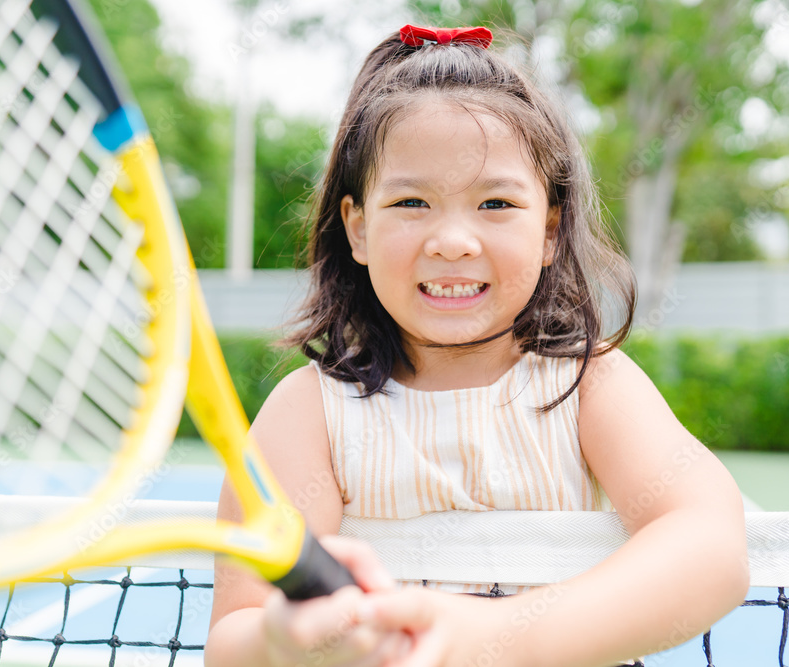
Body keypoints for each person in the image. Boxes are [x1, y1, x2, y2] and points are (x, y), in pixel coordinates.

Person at [205, 23, 748, 667]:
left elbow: (712, 546)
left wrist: (489, 638)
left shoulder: (591, 386)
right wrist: (290, 640)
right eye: (411, 201)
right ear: (357, 228)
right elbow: (233, 637)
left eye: (495, 203)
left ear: (549, 229)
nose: (453, 241)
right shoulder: (308, 414)